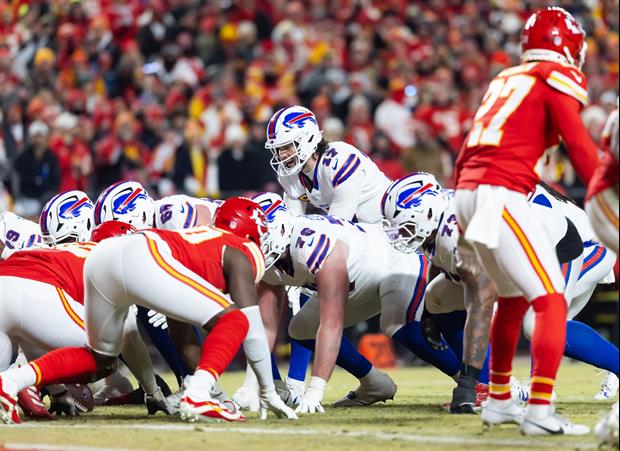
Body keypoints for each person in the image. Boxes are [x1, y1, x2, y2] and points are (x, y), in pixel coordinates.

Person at [0, 197, 296, 424]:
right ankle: (198, 396)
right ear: (253, 234)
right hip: (140, 253)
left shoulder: (198, 242)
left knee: (100, 358)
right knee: (235, 319)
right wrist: (267, 392)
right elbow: (252, 327)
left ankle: (12, 381)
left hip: (103, 260)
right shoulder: (242, 248)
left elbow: (179, 329)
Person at [453, 7, 598, 435]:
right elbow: (579, 144)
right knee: (551, 299)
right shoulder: (555, 76)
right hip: (500, 192)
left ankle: (498, 400)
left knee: (513, 298)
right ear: (569, 44)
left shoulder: (506, 78)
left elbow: (470, 148)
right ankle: (539, 411)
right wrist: (606, 189)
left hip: (468, 190)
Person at [255, 193, 444, 413]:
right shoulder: (271, 261)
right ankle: (375, 384)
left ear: (280, 230)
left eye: (259, 236)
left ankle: (470, 382)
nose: (255, 243)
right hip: (358, 284)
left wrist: (315, 389)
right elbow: (265, 328)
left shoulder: (310, 245)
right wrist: (265, 387)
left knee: (400, 327)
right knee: (300, 329)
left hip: (392, 258)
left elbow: (331, 324)